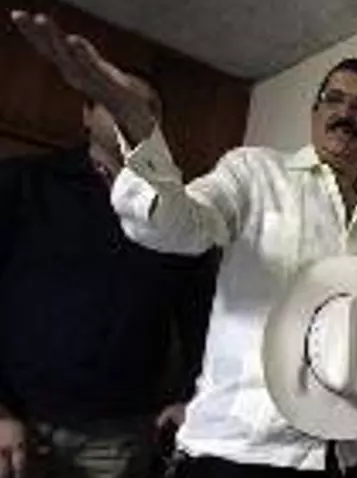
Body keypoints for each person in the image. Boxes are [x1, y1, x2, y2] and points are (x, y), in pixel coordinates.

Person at [10, 10, 357, 478]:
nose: (345, 114)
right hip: (241, 450)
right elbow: (179, 225)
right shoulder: (253, 171)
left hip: (341, 454)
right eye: (332, 100)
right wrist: (137, 125)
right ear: (315, 114)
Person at [0, 53, 219, 478]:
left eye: (145, 108)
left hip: (121, 434)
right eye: (113, 97)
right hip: (15, 424)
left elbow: (200, 314)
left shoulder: (183, 215)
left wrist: (190, 396)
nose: (128, 111)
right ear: (86, 113)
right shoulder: (21, 182)